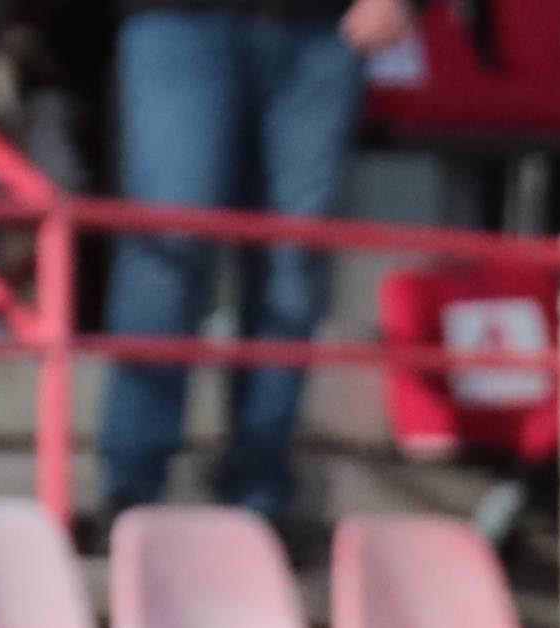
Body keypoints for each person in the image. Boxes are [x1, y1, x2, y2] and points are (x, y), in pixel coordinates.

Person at [96, 0, 409, 522]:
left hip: (320, 31)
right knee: (168, 243)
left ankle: (258, 494)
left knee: (294, 261)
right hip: (179, 21)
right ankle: (131, 487)